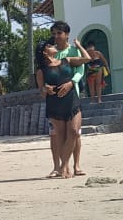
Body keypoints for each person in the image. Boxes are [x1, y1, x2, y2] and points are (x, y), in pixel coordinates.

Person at [37, 39, 91, 179]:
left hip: (72, 100)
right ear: (44, 52)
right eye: (49, 45)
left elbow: (87, 58)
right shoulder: (42, 70)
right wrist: (45, 89)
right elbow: (41, 92)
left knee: (73, 132)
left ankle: (64, 165)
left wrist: (78, 46)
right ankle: (64, 167)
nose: (53, 45)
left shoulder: (67, 60)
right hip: (55, 104)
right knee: (60, 136)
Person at [51, 22, 87, 176]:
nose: (56, 36)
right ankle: (60, 166)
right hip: (56, 98)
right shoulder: (51, 52)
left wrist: (72, 83)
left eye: (59, 33)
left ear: (66, 34)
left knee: (74, 132)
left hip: (73, 94)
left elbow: (80, 69)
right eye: (54, 33)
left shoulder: (73, 51)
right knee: (60, 134)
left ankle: (76, 165)